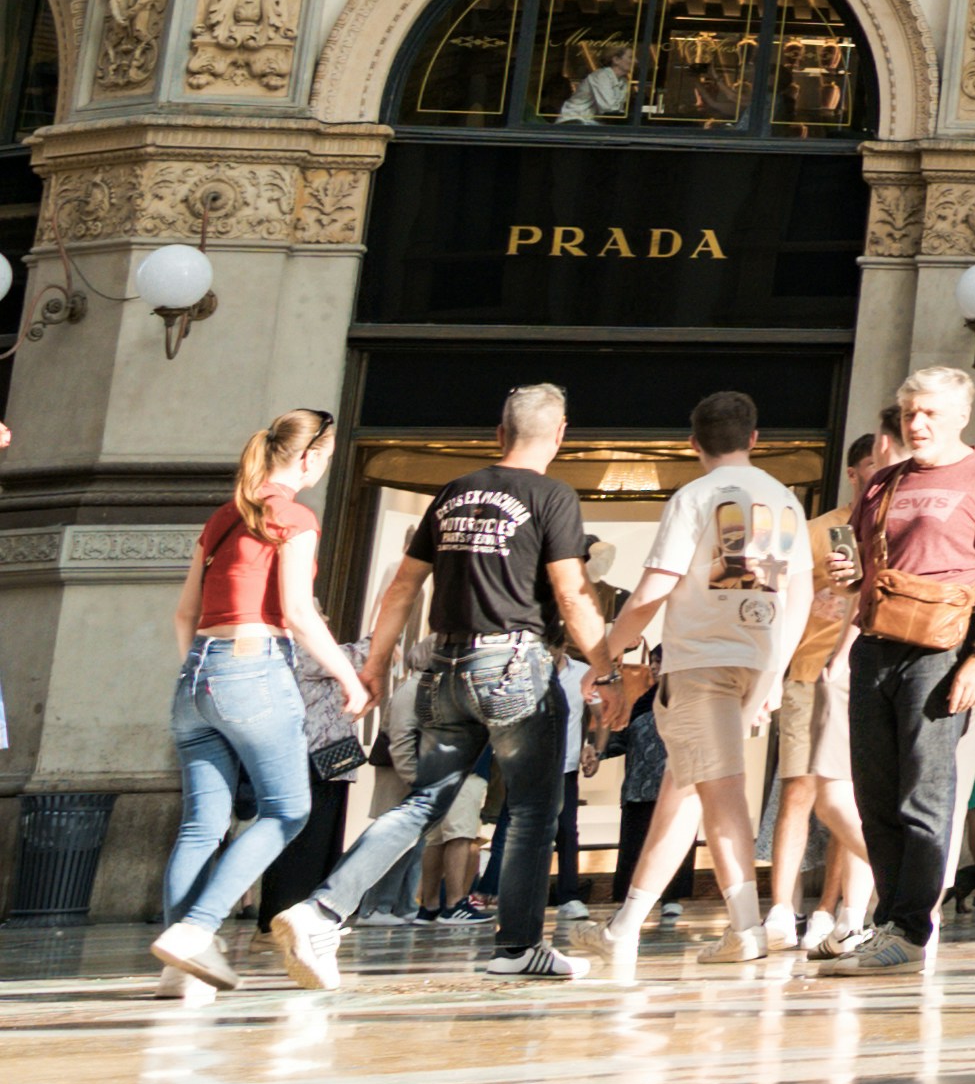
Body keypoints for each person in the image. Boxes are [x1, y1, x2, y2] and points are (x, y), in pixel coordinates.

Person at [294, 384, 612, 979]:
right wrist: (608, 668)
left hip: (446, 670)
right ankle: (516, 948)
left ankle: (322, 908)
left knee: (423, 804)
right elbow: (571, 591)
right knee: (534, 810)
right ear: (561, 434)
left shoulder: (454, 493)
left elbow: (402, 588)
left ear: (499, 433)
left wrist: (373, 666)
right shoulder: (552, 496)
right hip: (516, 670)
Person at [581, 392, 812, 967]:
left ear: (693, 444)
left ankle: (746, 929)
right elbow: (801, 594)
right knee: (683, 791)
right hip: (755, 655)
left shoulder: (696, 495)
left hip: (700, 659)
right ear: (755, 438)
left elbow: (654, 589)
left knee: (719, 791)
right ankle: (626, 925)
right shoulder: (784, 499)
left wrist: (605, 655)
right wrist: (774, 673)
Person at [815, 368, 975, 968]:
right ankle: (890, 920)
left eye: (931, 413)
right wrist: (847, 576)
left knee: (924, 793)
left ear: (961, 415)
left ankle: (910, 928)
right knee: (874, 793)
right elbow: (862, 564)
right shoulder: (884, 482)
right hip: (875, 642)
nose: (918, 424)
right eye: (910, 413)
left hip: (940, 649)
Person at [150, 410, 363, 998]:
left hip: (196, 676)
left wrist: (203, 670)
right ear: (310, 458)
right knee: (289, 810)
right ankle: (195, 930)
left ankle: (179, 968)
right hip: (254, 666)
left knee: (201, 826)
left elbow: (184, 614)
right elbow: (296, 613)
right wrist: (351, 676)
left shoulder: (223, 518)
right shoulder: (293, 516)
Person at [764, 429, 885, 956]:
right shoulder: (819, 531)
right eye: (871, 468)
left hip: (863, 674)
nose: (879, 477)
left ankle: (829, 910)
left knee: (849, 796)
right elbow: (780, 599)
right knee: (799, 789)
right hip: (809, 669)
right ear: (854, 472)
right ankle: (779, 909)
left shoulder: (889, 530)